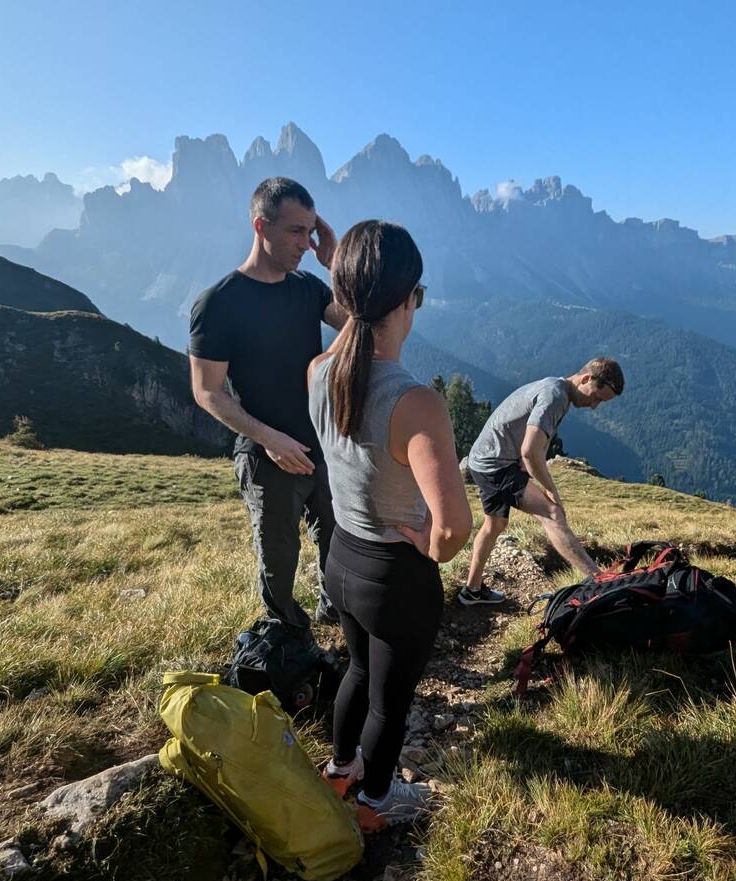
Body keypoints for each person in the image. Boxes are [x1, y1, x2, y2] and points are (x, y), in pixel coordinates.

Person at [306, 220, 472, 831]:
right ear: (409, 300)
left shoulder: (319, 370)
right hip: (395, 573)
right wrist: (429, 544)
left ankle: (341, 767)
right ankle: (377, 803)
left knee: (354, 668)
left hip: (341, 557)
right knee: (390, 699)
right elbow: (454, 530)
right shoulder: (414, 402)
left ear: (343, 297)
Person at [188, 177, 348, 634]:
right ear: (261, 226)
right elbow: (207, 392)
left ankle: (334, 614)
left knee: (337, 540)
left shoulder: (308, 287)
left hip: (320, 445)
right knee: (279, 560)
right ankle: (288, 644)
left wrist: (334, 262)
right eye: (297, 231)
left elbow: (362, 324)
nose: (306, 242)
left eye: (312, 230)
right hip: (266, 455)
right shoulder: (219, 303)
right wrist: (269, 438)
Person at [458, 359, 625, 605]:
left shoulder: (556, 388)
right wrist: (551, 492)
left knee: (494, 525)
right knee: (552, 514)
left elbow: (531, 446)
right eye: (597, 397)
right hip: (497, 465)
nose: (594, 406)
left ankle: (471, 591)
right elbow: (529, 451)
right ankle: (600, 581)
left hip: (484, 459)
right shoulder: (555, 397)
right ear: (586, 379)